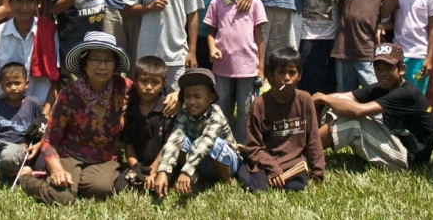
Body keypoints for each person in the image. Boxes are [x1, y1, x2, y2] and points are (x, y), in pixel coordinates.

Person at [17, 32, 133, 204]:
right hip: (69, 154)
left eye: (108, 60)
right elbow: (49, 140)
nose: (102, 66)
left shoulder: (124, 88)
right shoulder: (68, 95)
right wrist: (57, 170)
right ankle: (26, 178)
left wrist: (177, 96)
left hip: (105, 157)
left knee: (99, 189)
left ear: (115, 65)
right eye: (95, 60)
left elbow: (151, 93)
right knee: (64, 198)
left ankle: (79, 181)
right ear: (84, 64)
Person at [313, 43, 433, 169]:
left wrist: (324, 98)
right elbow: (343, 97)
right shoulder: (384, 86)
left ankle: (305, 152)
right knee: (336, 101)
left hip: (411, 157)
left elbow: (358, 111)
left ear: (402, 69)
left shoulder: (407, 93)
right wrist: (314, 100)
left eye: (388, 68)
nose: (382, 73)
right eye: (378, 68)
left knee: (351, 121)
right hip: (396, 140)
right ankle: (304, 145)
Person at [239, 48, 325, 192]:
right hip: (264, 161)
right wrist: (272, 167)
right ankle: (242, 165)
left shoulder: (305, 100)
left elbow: (313, 139)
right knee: (258, 189)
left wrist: (318, 173)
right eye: (281, 72)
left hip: (292, 162)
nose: (287, 78)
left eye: (292, 73)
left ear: (300, 76)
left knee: (296, 188)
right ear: (271, 76)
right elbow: (254, 146)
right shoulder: (259, 105)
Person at [204, 0, 267, 143]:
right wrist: (212, 49)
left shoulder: (254, 3)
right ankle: (223, 145)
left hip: (248, 67)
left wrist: (261, 67)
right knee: (222, 106)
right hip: (223, 67)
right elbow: (210, 33)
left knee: (245, 109)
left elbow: (259, 37)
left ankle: (242, 147)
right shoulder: (216, 3)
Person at [152, 69, 241, 199]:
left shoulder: (215, 113)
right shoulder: (183, 115)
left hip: (227, 163)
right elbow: (174, 141)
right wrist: (163, 170)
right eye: (187, 97)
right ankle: (197, 179)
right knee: (180, 141)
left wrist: (186, 170)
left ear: (211, 98)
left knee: (214, 143)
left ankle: (226, 181)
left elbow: (206, 141)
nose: (192, 102)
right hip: (201, 161)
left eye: (198, 97)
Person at [121, 56, 175, 193]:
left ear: (163, 84)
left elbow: (168, 146)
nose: (149, 87)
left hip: (163, 164)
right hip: (139, 164)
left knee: (157, 188)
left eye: (155, 82)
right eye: (143, 81)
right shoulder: (131, 109)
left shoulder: (167, 109)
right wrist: (136, 167)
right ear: (135, 80)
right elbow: (129, 144)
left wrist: (153, 171)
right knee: (120, 187)